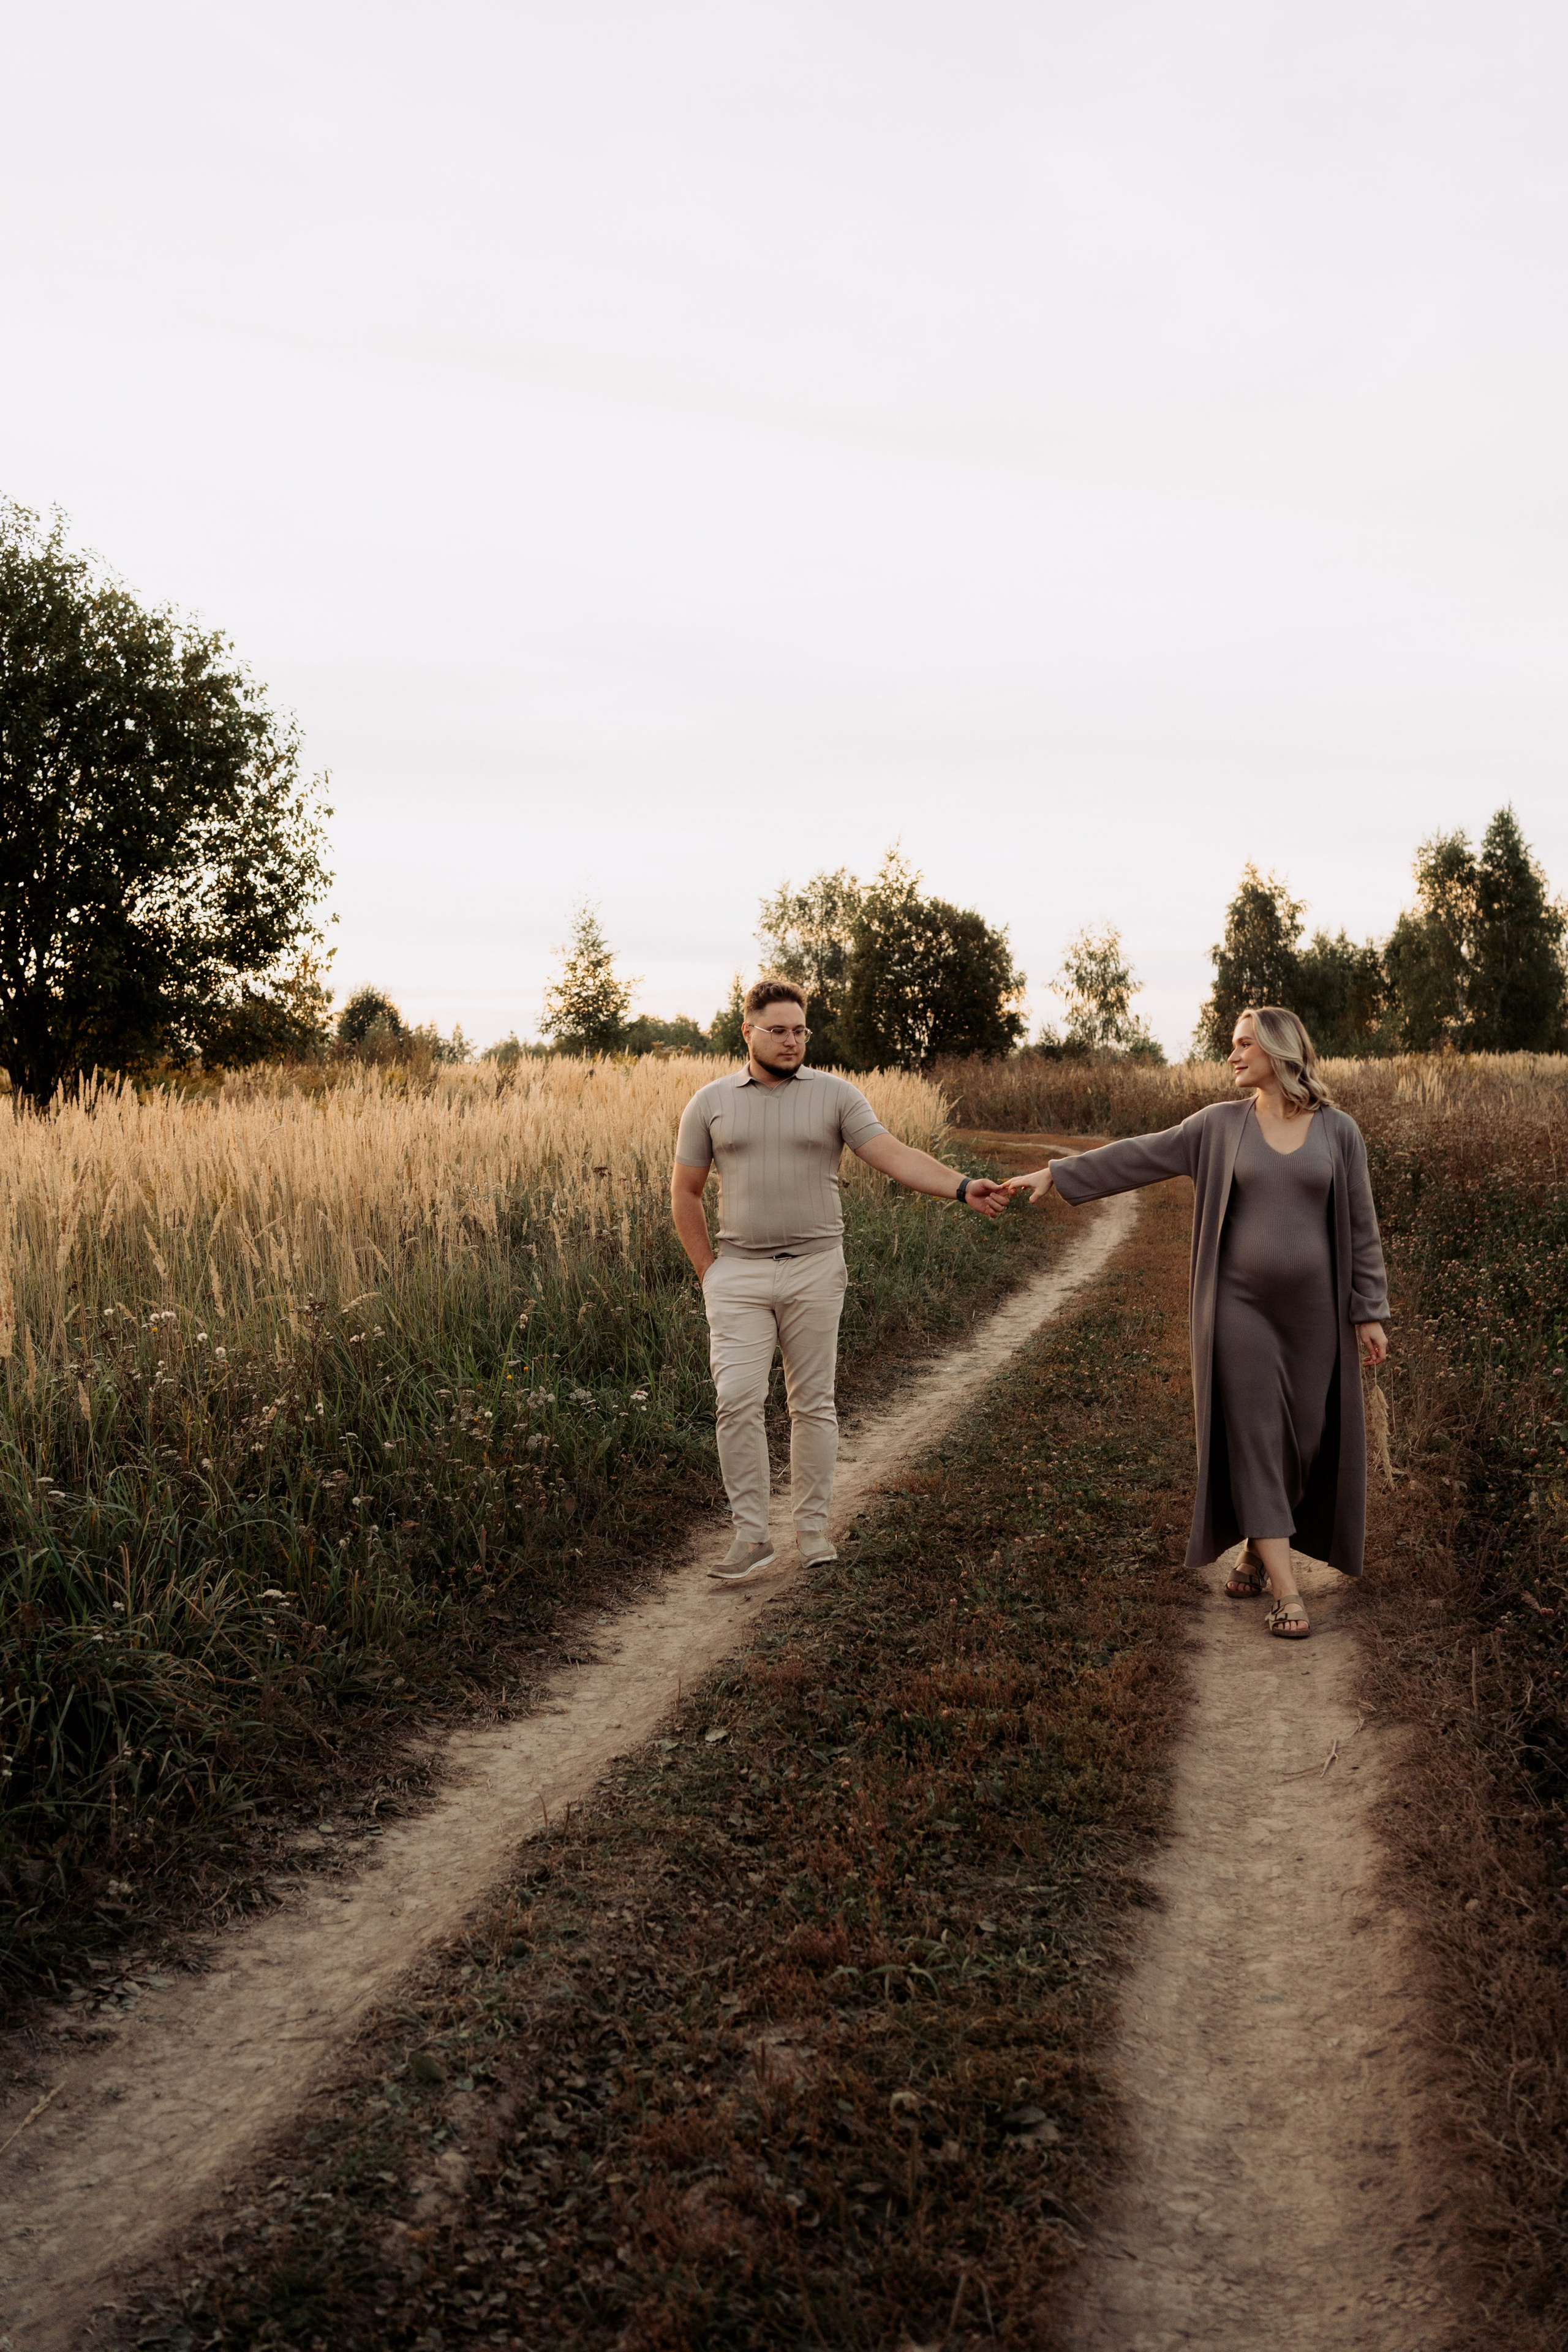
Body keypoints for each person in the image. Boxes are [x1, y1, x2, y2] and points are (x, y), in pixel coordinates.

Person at [1004, 1006, 1390, 1638]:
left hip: (1315, 1314)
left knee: (1305, 1440)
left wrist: (1369, 1311)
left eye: (1243, 1045)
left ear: (1278, 1050)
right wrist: (1056, 1172)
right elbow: (1140, 1155)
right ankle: (1288, 1590)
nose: (1232, 1056)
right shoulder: (1218, 1126)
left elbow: (1360, 1226)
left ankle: (1253, 1548)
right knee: (1255, 1436)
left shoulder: (1338, 1131)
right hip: (1239, 1309)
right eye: (1232, 1045)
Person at [673, 974, 1008, 1585]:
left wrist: (962, 1187)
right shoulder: (710, 1102)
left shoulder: (835, 1096)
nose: (791, 1041)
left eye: (799, 1030)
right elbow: (685, 1192)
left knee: (812, 1403)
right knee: (736, 1402)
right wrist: (710, 1275)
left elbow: (893, 1153)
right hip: (738, 1274)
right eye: (777, 1031)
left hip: (815, 1268)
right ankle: (751, 1537)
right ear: (746, 1033)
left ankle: (810, 1530)